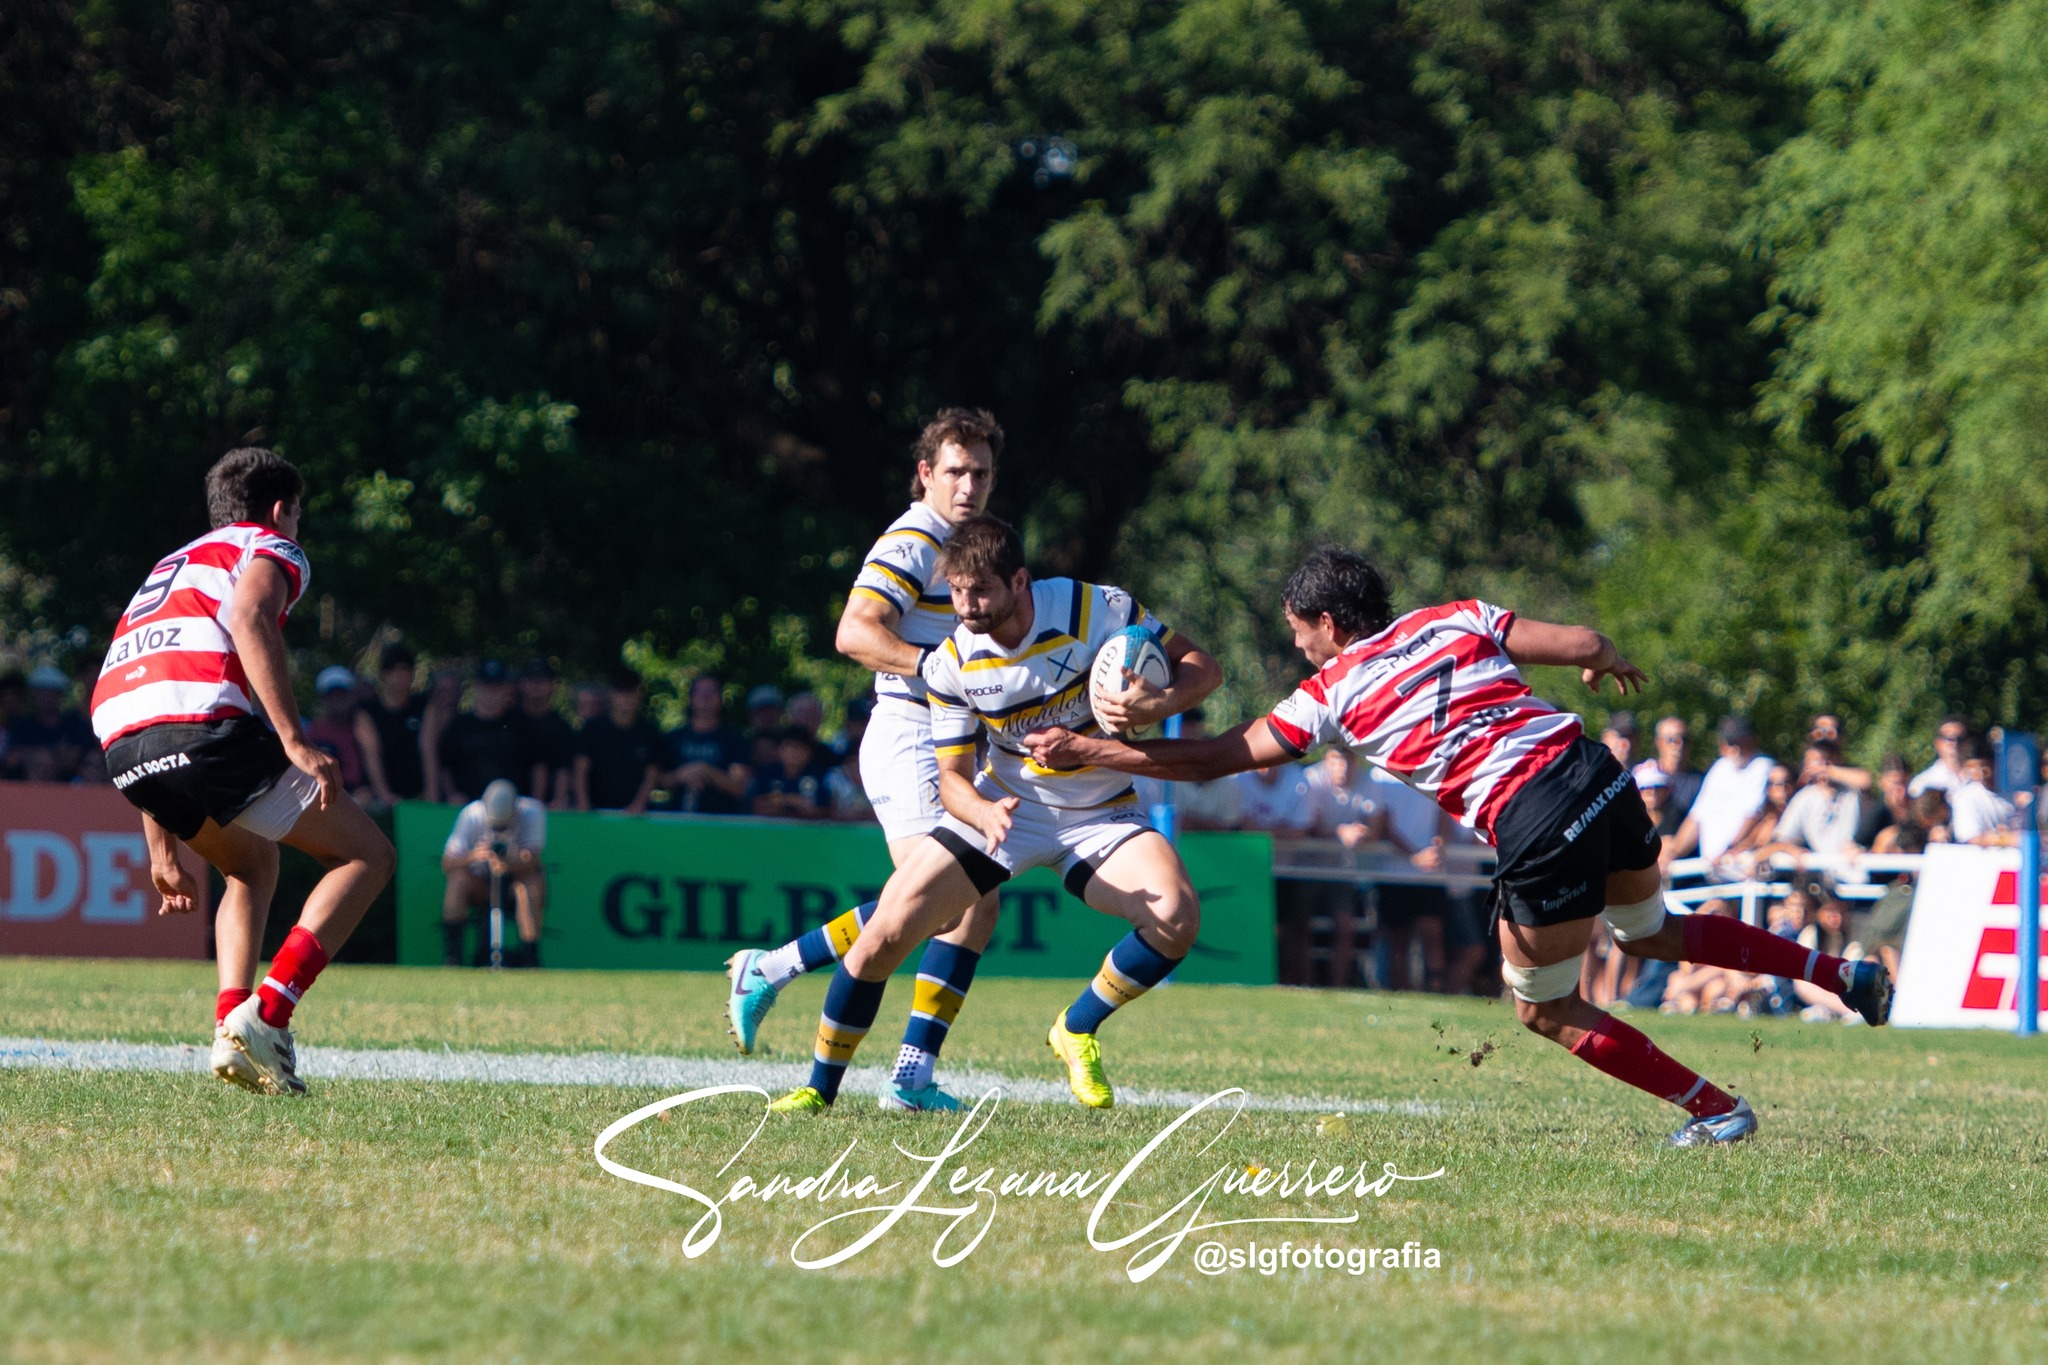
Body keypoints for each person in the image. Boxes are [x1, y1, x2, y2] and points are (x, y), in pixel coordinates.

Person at [1024, 547, 1891, 1147]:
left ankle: (1716, 1109)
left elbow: (1216, 760)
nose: (1297, 646)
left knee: (1544, 1008)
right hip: (1596, 775)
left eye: (1298, 631)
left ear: (1328, 623)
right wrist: (1604, 663)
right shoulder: (1454, 616)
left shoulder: (1332, 690)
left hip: (1536, 819)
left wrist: (1094, 749)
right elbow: (1584, 643)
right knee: (1652, 933)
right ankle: (1839, 974)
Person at [766, 514, 1222, 1115]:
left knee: (1178, 917)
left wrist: (1159, 700)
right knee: (880, 938)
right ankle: (817, 1090)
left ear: (1020, 581)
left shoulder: (1095, 609)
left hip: (1100, 811)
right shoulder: (954, 661)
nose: (966, 606)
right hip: (1006, 808)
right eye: (955, 592)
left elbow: (1204, 669)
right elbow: (952, 779)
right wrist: (981, 812)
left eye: (980, 591)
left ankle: (1076, 1028)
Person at [724, 410, 1007, 1113]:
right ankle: (878, 1068)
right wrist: (936, 670)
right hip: (913, 735)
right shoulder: (916, 539)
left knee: (963, 904)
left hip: (948, 741)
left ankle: (790, 982)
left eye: (980, 471)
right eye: (955, 470)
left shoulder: (970, 543)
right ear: (925, 474)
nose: (968, 484)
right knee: (947, 901)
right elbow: (854, 630)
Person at [89, 447, 395, 1096]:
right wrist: (293, 739)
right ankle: (270, 1016)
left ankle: (231, 1029)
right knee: (367, 855)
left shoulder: (172, 565)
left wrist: (160, 848)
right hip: (198, 729)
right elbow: (251, 617)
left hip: (119, 743)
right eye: (299, 514)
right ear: (281, 509)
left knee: (250, 865)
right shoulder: (268, 544)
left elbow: (153, 701)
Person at [439, 778, 548, 968]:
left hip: (515, 880)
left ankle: (531, 958)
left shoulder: (532, 812)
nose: (498, 832)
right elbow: (447, 863)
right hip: (481, 881)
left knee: (531, 885)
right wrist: (474, 856)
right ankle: (453, 958)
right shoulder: (471, 815)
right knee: (457, 881)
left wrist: (509, 863)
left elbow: (533, 861)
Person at [1660, 716, 1774, 876]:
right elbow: (1696, 818)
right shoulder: (1720, 767)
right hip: (1712, 870)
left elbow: (1753, 816)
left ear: (1752, 740)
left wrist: (1727, 850)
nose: (1735, 747)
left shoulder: (1763, 766)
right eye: (1730, 741)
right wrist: (1672, 854)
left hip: (1743, 871)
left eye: (1739, 740)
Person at [433, 659, 547, 805]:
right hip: (469, 809)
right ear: (476, 687)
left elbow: (539, 765)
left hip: (515, 811)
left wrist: (535, 801)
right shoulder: (459, 725)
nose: (491, 692)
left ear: (506, 688)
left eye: (497, 687)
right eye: (486, 686)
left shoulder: (523, 724)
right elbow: (445, 765)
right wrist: (452, 794)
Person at [572, 667, 663, 813]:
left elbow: (651, 773)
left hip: (634, 816)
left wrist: (639, 804)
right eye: (621, 691)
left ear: (639, 695)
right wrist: (583, 804)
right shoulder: (592, 729)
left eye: (631, 691)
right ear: (611, 694)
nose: (626, 697)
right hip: (594, 813)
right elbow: (581, 768)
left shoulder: (649, 732)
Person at [1762, 738, 1865, 861]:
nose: (1822, 765)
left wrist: (1830, 771)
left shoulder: (1851, 793)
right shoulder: (1805, 798)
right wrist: (1792, 850)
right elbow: (1782, 837)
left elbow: (1866, 781)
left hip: (1855, 868)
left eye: (1827, 759)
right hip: (1820, 872)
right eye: (1816, 761)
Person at [665, 672, 751, 814]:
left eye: (712, 691)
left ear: (721, 698)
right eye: (700, 691)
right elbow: (658, 779)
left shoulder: (735, 738)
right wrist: (682, 776)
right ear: (691, 698)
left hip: (721, 823)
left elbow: (738, 788)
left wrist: (705, 771)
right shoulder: (673, 737)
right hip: (677, 821)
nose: (706, 696)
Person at [355, 643, 429, 805]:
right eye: (393, 670)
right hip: (380, 797)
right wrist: (385, 796)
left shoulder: (424, 706)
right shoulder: (367, 712)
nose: (399, 675)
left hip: (419, 794)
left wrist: (432, 797)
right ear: (383, 674)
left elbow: (429, 751)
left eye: (405, 669)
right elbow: (372, 755)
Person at [9, 665, 95, 782]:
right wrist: (48, 754)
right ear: (34, 695)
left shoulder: (75, 724)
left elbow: (81, 759)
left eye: (53, 693)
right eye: (42, 692)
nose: (48, 698)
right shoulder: (21, 726)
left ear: (61, 695)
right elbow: (12, 759)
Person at [303, 666, 368, 801]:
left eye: (342, 694)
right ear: (323, 698)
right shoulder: (314, 733)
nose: (337, 700)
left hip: (365, 794)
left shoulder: (364, 726)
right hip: (329, 795)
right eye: (332, 695)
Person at [519, 658, 577, 808]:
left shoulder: (561, 727)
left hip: (548, 807)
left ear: (553, 685)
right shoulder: (509, 721)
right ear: (522, 684)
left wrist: (559, 799)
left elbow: (563, 768)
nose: (536, 686)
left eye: (542, 681)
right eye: (532, 680)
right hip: (507, 804)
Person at [1947, 735, 2017, 845]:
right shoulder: (1965, 797)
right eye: (1972, 768)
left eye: (1984, 767)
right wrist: (2004, 839)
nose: (1979, 774)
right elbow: (1971, 838)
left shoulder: (2015, 793)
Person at [1643, 715, 1704, 838]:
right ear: (1659, 742)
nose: (1679, 745)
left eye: (1684, 739)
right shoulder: (1644, 778)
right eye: (1672, 740)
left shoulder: (1701, 782)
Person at [748, 727, 827, 818]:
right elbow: (758, 807)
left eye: (798, 747)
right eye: (788, 746)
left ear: (808, 753)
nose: (793, 752)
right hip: (771, 828)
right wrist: (790, 800)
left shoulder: (816, 775)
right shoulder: (768, 773)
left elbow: (821, 812)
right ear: (779, 750)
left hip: (805, 830)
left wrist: (779, 804)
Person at [1909, 715, 1973, 797]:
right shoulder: (1923, 784)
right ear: (1938, 744)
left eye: (1960, 739)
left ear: (1968, 743)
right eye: (1949, 739)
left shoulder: (1980, 779)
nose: (1955, 744)